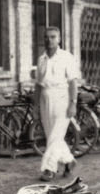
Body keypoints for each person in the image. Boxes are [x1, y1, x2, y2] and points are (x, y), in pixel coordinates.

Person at [33, 27, 79, 182]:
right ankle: (69, 161)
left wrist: (73, 103)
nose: (49, 40)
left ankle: (49, 169)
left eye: (53, 37)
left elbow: (73, 83)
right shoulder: (41, 59)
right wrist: (35, 107)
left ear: (59, 39)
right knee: (53, 137)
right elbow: (39, 85)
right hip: (45, 99)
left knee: (55, 136)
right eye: (46, 37)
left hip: (62, 98)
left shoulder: (67, 57)